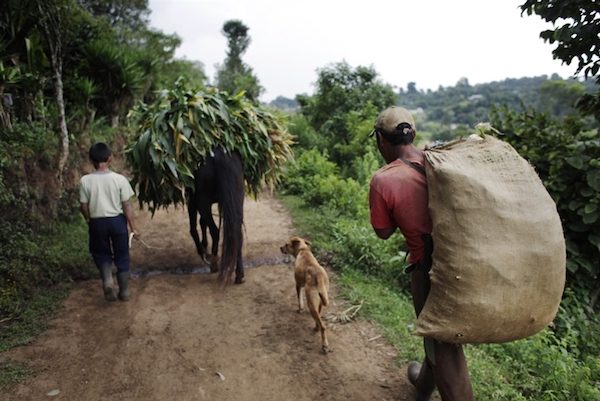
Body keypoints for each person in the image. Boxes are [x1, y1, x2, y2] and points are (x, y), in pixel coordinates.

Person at [368, 106, 474, 401]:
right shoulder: (439, 161)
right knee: (436, 336)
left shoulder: (384, 180)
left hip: (431, 272)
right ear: (413, 134)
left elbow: (383, 231)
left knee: (446, 352)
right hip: (467, 263)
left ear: (380, 139)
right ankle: (422, 385)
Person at [79, 142, 139, 302]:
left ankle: (107, 281)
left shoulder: (85, 181)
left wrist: (88, 218)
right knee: (122, 254)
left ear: (91, 160)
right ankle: (124, 291)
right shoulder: (120, 180)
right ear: (110, 158)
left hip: (97, 222)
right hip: (117, 222)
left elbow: (83, 206)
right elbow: (127, 206)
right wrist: (133, 228)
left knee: (100, 252)